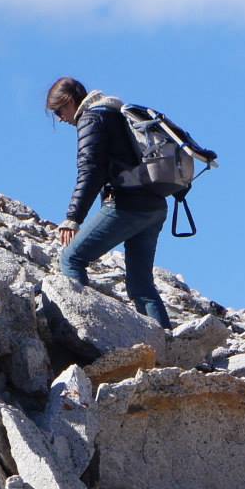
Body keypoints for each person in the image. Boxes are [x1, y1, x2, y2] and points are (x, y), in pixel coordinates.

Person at [46, 76, 171, 327]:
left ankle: (82, 329)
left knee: (71, 259)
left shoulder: (91, 119)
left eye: (59, 110)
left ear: (70, 101)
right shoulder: (115, 113)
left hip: (126, 205)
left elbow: (90, 171)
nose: (61, 118)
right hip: (154, 204)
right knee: (141, 286)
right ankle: (165, 347)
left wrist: (73, 218)